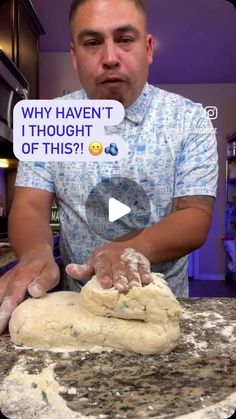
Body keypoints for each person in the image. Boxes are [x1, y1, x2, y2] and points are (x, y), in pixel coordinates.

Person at [0, 0, 218, 334]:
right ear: (74, 55)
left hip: (159, 311)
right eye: (92, 42)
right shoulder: (51, 119)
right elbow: (30, 204)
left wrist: (134, 249)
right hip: (74, 313)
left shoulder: (188, 120)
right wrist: (35, 252)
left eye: (125, 39)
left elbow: (194, 214)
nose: (110, 57)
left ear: (147, 48)